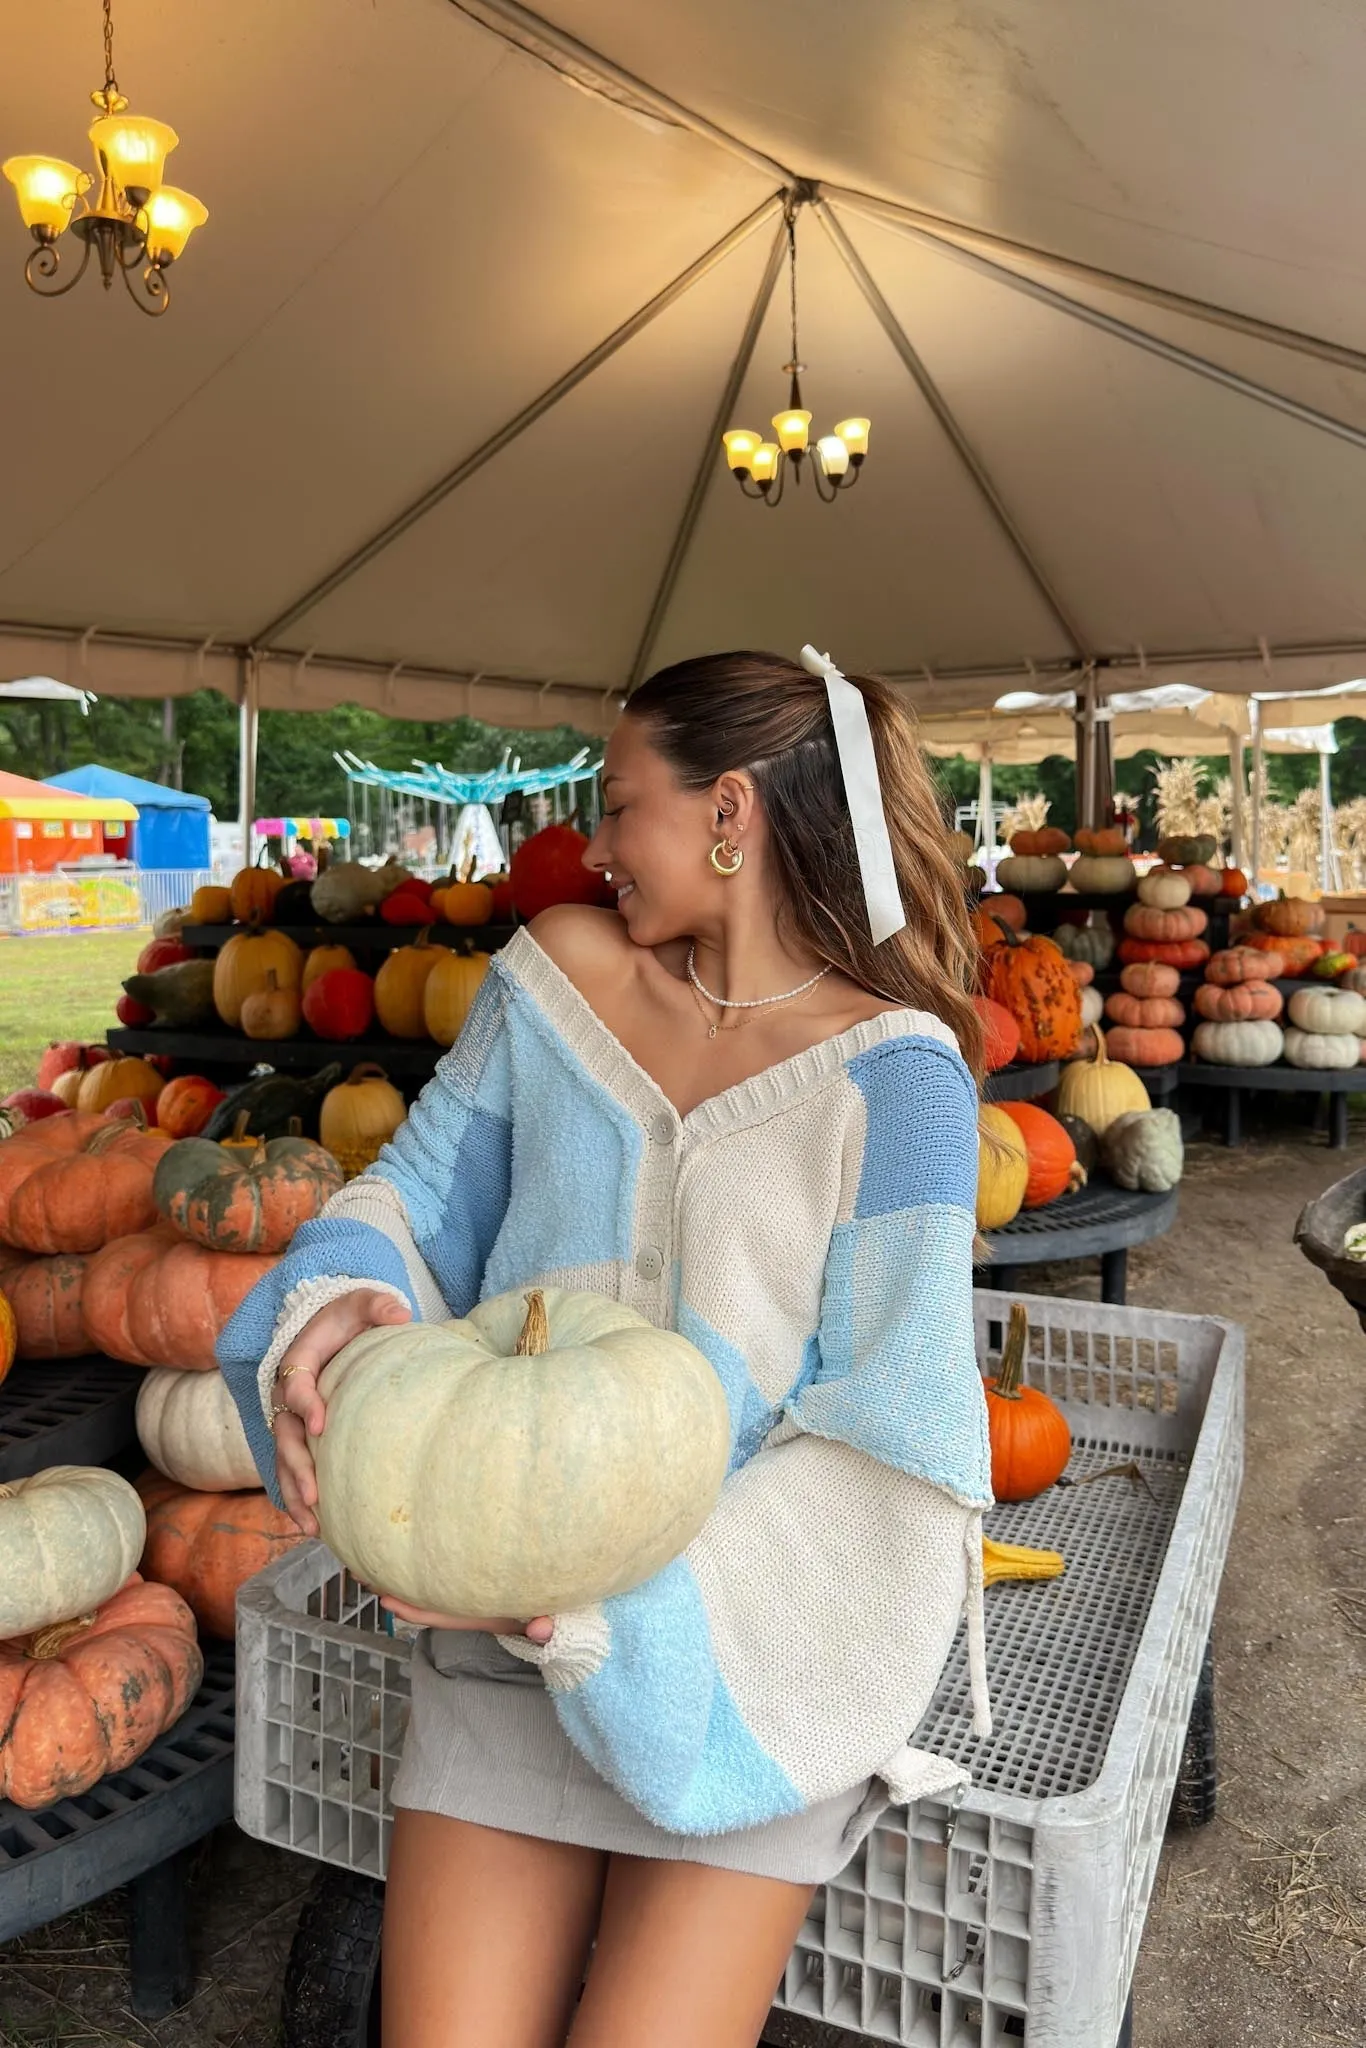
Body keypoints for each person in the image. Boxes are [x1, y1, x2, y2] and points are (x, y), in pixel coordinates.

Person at [218, 645, 994, 2048]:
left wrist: (599, 1607)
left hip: (746, 1660)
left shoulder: (901, 1082)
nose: (585, 844)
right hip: (495, 1650)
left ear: (730, 813)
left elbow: (895, 1435)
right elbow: (415, 1193)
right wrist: (341, 1293)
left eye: (616, 802)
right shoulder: (557, 979)